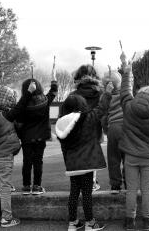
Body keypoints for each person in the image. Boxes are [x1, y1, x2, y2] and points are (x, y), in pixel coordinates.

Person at [119, 56, 149, 231]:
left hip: (130, 156)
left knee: (131, 190)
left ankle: (130, 220)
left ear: (140, 94)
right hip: (148, 158)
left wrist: (128, 71)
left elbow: (125, 90)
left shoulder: (129, 106)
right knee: (147, 190)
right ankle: (147, 221)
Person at [0, 83, 36, 228]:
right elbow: (20, 106)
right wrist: (29, 91)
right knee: (5, 189)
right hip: (5, 159)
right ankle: (6, 218)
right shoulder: (5, 116)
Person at [56, 85, 111, 231]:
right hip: (87, 163)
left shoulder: (61, 124)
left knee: (73, 192)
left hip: (72, 164)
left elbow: (64, 147)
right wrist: (107, 92)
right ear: (82, 105)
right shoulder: (88, 118)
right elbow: (101, 108)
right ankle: (90, 223)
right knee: (87, 193)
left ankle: (72, 223)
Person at [17, 69, 57, 195]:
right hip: (41, 137)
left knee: (27, 161)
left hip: (26, 138)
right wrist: (53, 78)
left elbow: (19, 120)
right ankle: (37, 186)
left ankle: (26, 185)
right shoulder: (45, 101)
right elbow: (54, 91)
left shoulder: (23, 105)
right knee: (38, 161)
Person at [68, 64, 104, 192]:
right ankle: (92, 182)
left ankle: (78, 184)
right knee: (92, 157)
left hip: (78, 132)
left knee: (79, 157)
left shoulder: (73, 94)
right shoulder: (100, 93)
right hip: (94, 130)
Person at [101, 69, 125, 193]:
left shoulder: (106, 98)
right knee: (128, 157)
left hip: (113, 128)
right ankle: (129, 181)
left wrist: (106, 130)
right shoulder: (126, 94)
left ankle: (115, 184)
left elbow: (103, 116)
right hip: (126, 128)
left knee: (113, 158)